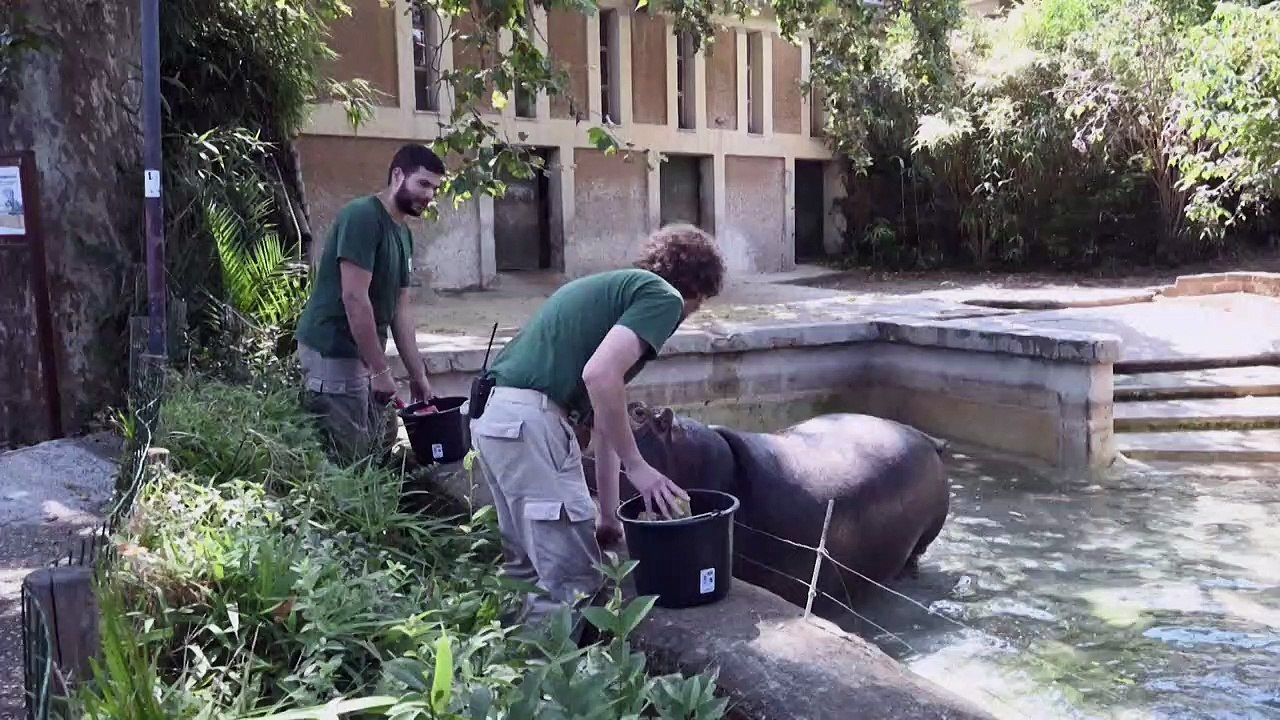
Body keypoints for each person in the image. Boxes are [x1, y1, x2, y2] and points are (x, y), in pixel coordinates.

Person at [467, 223, 727, 633]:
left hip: (497, 419)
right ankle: (556, 690)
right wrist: (638, 467)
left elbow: (605, 415)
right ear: (698, 288)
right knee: (572, 582)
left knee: (526, 570)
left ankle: (514, 678)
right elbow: (600, 375)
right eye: (700, 303)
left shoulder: (610, 293)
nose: (690, 313)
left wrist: (607, 515)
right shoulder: (663, 297)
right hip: (532, 423)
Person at [294, 143, 445, 461]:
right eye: (423, 183)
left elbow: (400, 310)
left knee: (382, 441)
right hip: (333, 350)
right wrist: (380, 371)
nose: (429, 195)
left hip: (365, 355)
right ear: (397, 175)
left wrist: (418, 375)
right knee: (347, 457)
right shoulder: (363, 216)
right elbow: (354, 297)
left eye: (434, 188)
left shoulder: (403, 234)